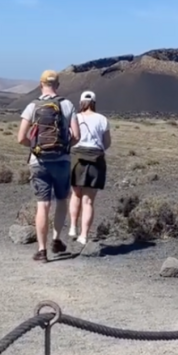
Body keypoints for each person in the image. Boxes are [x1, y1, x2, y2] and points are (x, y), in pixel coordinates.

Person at [16, 70, 80, 262]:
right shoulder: (67, 105)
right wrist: (64, 148)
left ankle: (42, 251)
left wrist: (35, 147)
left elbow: (20, 138)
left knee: (42, 205)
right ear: (58, 85)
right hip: (62, 162)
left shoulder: (32, 106)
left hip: (39, 162)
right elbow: (76, 136)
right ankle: (56, 239)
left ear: (40, 84)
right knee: (61, 201)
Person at [67, 91, 111, 245]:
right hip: (96, 159)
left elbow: (70, 137)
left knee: (75, 194)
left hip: (77, 157)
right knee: (88, 201)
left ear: (81, 102)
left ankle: (73, 226)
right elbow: (107, 142)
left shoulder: (75, 118)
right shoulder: (103, 119)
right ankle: (84, 235)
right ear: (94, 102)